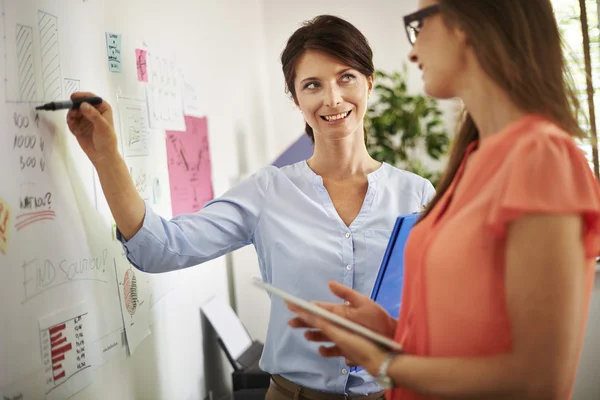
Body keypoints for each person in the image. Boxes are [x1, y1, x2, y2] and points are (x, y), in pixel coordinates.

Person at [66, 15, 435, 399]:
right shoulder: (268, 191)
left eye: (346, 77)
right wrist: (107, 157)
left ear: (369, 83)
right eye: (312, 85)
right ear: (296, 99)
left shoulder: (417, 195)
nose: (332, 98)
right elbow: (161, 247)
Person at [287, 1, 600, 399]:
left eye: (419, 23)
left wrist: (383, 364)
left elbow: (537, 380)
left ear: (470, 21)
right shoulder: (474, 159)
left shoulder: (541, 157)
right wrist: (392, 332)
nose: (413, 50)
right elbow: (472, 334)